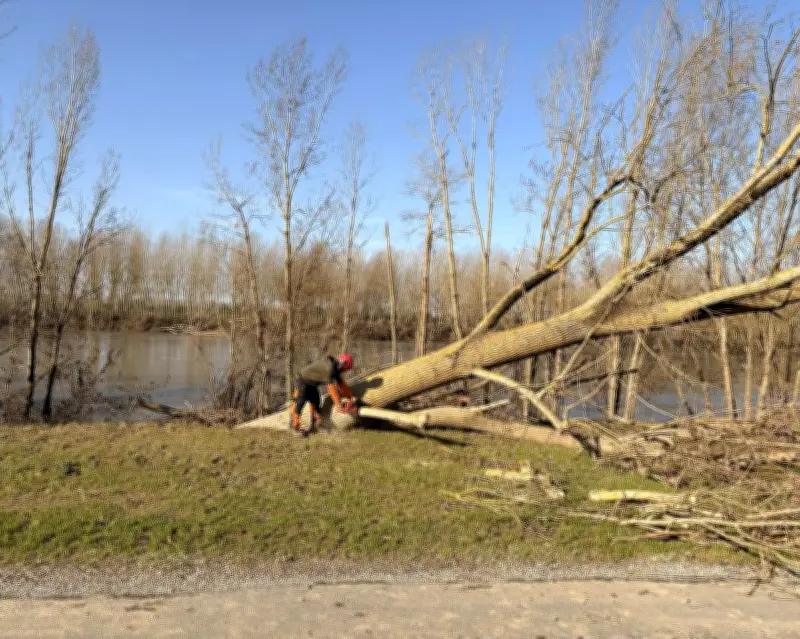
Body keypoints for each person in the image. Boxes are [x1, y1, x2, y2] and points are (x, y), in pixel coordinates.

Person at [290, 353, 357, 433]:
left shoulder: (335, 369)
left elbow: (342, 385)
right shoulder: (329, 368)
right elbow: (331, 389)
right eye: (344, 369)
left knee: (316, 402)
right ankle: (295, 426)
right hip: (302, 381)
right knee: (300, 402)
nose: (343, 371)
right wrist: (338, 404)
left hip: (312, 384)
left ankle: (314, 427)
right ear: (343, 364)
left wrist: (350, 397)